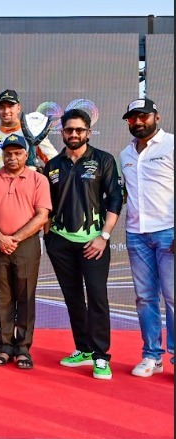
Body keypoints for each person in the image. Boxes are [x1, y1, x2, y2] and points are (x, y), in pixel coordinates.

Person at [44, 109, 123, 380]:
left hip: (94, 242)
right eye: (69, 130)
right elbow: (46, 206)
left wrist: (103, 237)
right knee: (73, 297)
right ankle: (84, 348)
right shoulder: (53, 165)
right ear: (62, 132)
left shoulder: (103, 160)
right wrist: (49, 238)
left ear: (88, 132)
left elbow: (115, 199)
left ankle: (101, 356)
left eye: (79, 130)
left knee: (97, 297)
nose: (74, 134)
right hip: (60, 242)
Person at [0, 134, 51, 370]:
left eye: (18, 153)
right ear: (2, 155)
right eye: (8, 153)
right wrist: (0, 237)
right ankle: (5, 346)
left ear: (26, 154)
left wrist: (15, 238)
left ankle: (23, 348)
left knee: (25, 296)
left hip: (26, 245)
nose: (12, 157)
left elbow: (42, 215)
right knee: (3, 296)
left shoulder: (38, 179)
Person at [119, 98, 174, 375]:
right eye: (133, 118)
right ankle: (152, 355)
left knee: (173, 297)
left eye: (143, 116)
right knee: (144, 298)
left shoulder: (171, 145)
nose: (138, 121)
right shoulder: (125, 154)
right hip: (136, 234)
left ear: (156, 117)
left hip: (168, 232)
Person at [0, 89, 58, 172]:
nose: (6, 111)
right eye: (2, 107)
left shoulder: (32, 132)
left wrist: (42, 175)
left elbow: (56, 161)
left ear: (18, 108)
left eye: (10, 106)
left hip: (26, 180)